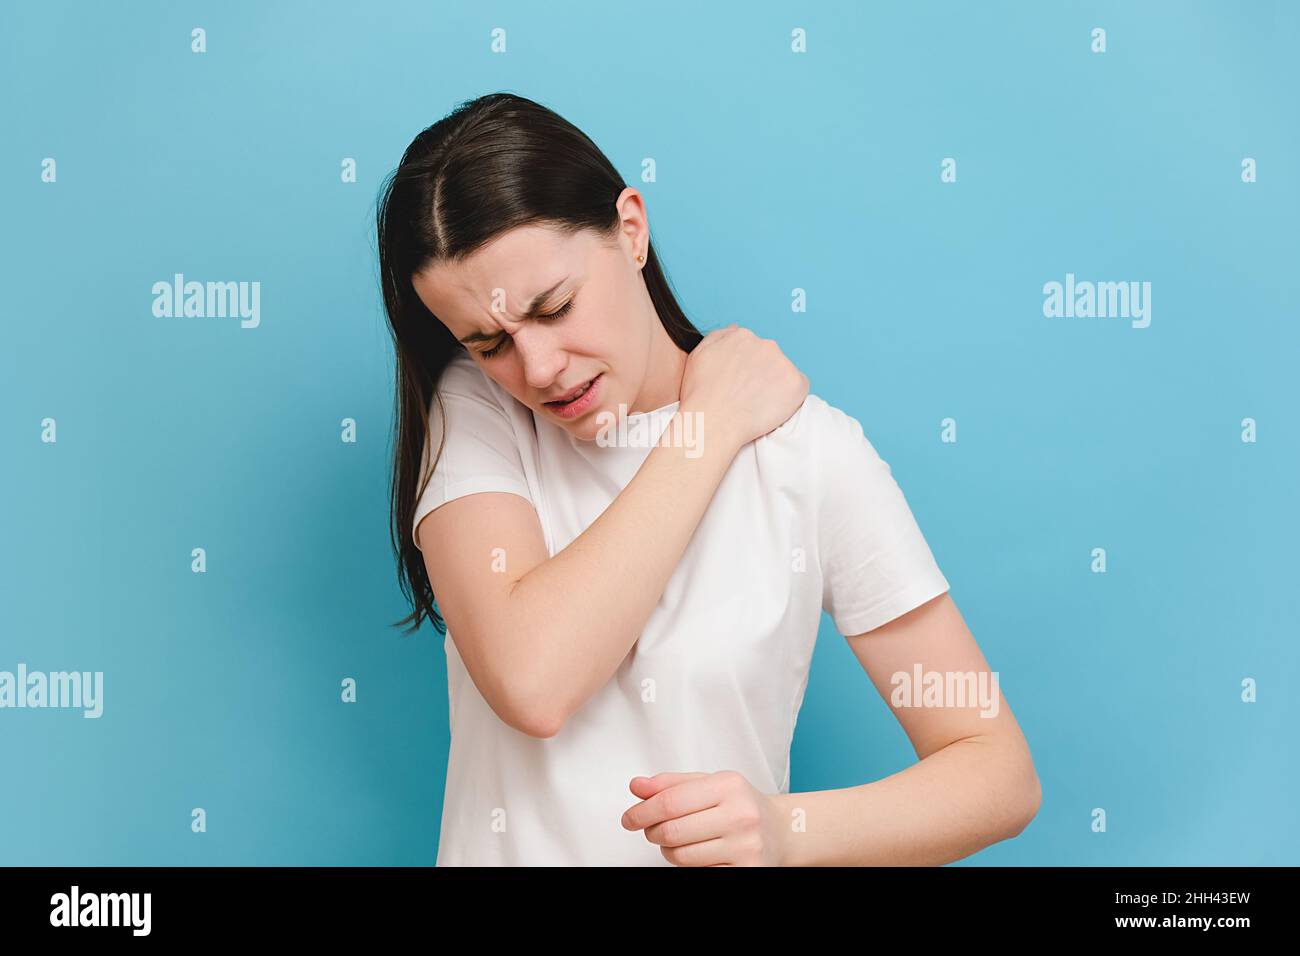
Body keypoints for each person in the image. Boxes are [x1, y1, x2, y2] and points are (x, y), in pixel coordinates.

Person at [377, 92, 1041, 866]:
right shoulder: (477, 413)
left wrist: (786, 831)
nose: (539, 370)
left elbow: (997, 771)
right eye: (488, 341)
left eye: (554, 307)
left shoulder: (808, 454)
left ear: (630, 230)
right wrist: (710, 426)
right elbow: (534, 681)